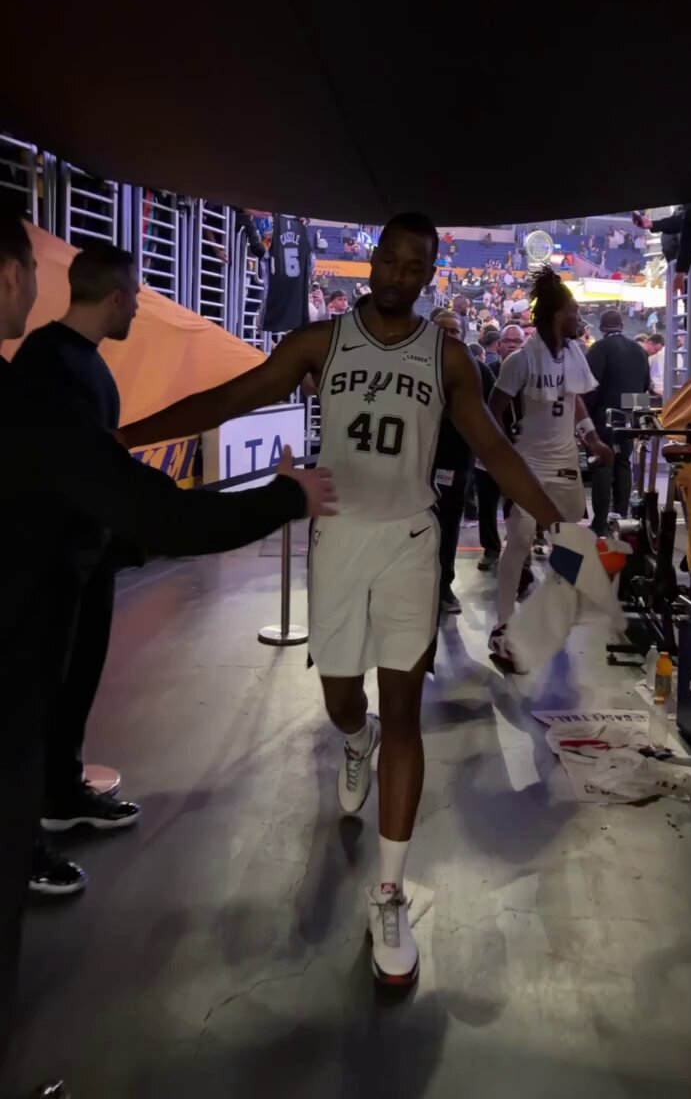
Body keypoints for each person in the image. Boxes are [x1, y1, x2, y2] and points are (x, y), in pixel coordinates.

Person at [119, 211, 564, 986]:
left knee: (405, 711)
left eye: (414, 267)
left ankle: (389, 892)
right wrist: (125, 437)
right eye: (388, 261)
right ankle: (355, 740)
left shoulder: (448, 357)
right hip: (338, 533)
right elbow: (229, 398)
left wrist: (560, 519)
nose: (397, 275)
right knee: (340, 698)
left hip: (410, 541)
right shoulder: (318, 343)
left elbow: (493, 447)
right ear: (373, 262)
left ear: (429, 275)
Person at [0, 208, 337, 1089]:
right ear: (14, 277)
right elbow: (158, 510)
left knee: (56, 713)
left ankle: (55, 795)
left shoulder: (44, 379)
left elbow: (103, 491)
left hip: (63, 585)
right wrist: (287, 497)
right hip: (23, 628)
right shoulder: (40, 386)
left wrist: (112, 541)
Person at [11, 245, 144, 895]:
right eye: (135, 297)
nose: (137, 308)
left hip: (89, 558)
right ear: (116, 299)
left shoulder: (84, 362)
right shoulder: (45, 364)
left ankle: (61, 794)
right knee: (34, 705)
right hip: (49, 564)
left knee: (74, 686)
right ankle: (20, 847)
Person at [487, 266, 613, 673]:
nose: (579, 317)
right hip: (529, 463)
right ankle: (502, 626)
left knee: (571, 542)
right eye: (575, 311)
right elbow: (493, 410)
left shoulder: (573, 354)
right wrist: (501, 455)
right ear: (559, 315)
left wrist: (592, 439)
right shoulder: (520, 360)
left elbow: (575, 400)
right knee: (520, 540)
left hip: (565, 462)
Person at [430, 309, 495, 614]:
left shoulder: (479, 371)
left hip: (455, 461)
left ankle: (444, 585)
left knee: (448, 523)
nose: (448, 335)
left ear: (464, 334)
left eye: (454, 330)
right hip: (414, 458)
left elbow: (492, 415)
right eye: (442, 329)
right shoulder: (414, 366)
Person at [584, 308, 651, 535]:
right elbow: (644, 385)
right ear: (622, 325)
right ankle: (621, 520)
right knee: (623, 464)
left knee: (603, 467)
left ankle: (600, 524)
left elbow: (590, 386)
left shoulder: (599, 348)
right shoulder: (639, 349)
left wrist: (588, 416)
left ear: (602, 327)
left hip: (604, 416)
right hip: (630, 414)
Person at [475, 324, 525, 572]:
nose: (513, 345)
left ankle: (520, 548)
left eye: (518, 341)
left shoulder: (530, 375)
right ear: (499, 344)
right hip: (490, 448)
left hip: (520, 448)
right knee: (487, 503)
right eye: (508, 341)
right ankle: (491, 549)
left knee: (518, 505)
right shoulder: (488, 372)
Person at [645, 332, 665, 397]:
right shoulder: (639, 355)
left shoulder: (650, 357)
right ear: (649, 343)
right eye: (655, 350)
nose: (656, 353)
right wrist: (654, 391)